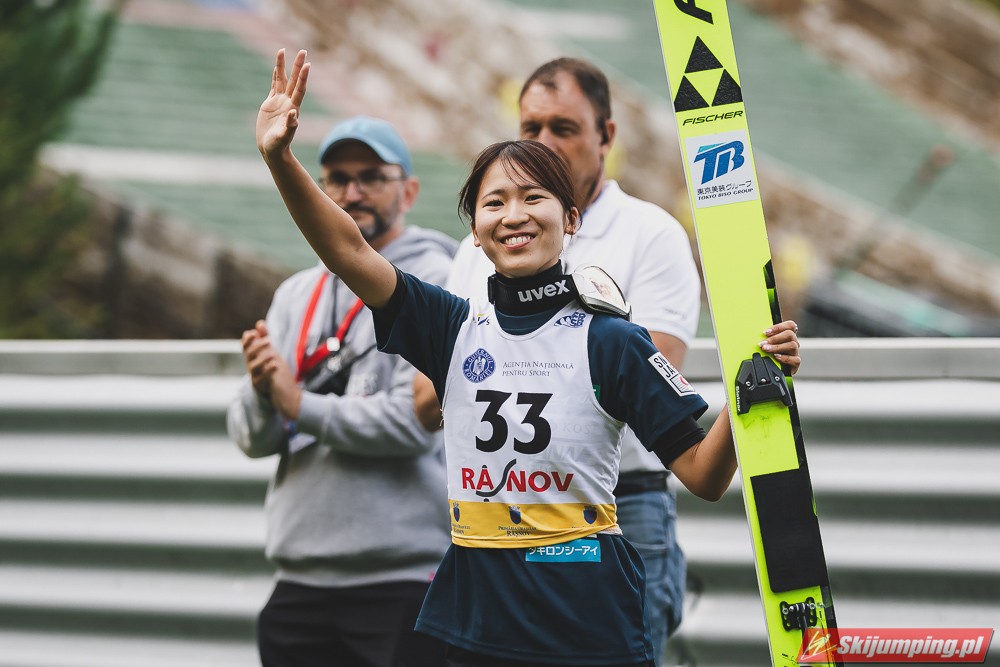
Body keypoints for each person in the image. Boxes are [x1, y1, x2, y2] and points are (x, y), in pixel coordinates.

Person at [254, 49, 801, 666]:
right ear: (475, 231)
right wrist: (280, 158)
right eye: (494, 203)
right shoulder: (450, 326)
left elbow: (705, 475)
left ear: (571, 218)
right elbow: (349, 250)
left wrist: (752, 389)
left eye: (534, 197)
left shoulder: (613, 339)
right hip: (476, 623)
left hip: (587, 623)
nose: (513, 215)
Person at [413, 57, 710, 663]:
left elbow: (648, 377)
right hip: (499, 511)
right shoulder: (484, 243)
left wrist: (521, 358)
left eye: (564, 127)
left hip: (621, 503)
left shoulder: (651, 233)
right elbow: (426, 398)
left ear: (606, 135)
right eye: (531, 127)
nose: (545, 141)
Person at [227, 111, 456, 667]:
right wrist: (263, 392)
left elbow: (414, 426)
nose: (353, 193)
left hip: (402, 579)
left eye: (371, 177)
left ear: (409, 190)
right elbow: (253, 439)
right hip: (299, 575)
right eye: (338, 178)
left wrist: (297, 404)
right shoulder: (295, 294)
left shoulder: (440, 280)